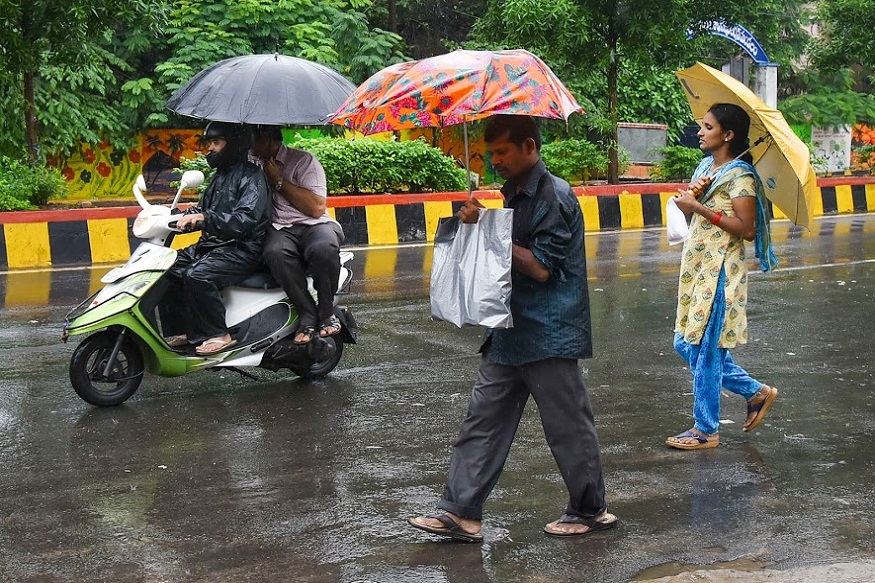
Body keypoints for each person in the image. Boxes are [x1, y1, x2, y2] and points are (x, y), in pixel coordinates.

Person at [408, 115, 616, 542]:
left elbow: (540, 268)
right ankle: (461, 511)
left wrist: (485, 224)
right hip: (509, 330)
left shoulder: (554, 196)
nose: (494, 161)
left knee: (566, 427)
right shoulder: (513, 194)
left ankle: (591, 509)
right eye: (489, 154)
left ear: (529, 147)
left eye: (502, 152)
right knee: (482, 420)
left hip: (549, 330)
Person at [666, 103, 780, 451]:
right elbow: (692, 215)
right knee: (684, 344)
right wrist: (693, 197)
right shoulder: (706, 167)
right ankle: (755, 392)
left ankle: (706, 429)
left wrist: (700, 207)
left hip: (720, 273)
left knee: (707, 350)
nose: (700, 131)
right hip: (697, 269)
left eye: (708, 127)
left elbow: (746, 229)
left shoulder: (742, 177)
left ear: (727, 135)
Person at [163, 121, 271, 356]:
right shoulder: (220, 176)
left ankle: (219, 334)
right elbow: (202, 210)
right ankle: (189, 330)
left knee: (197, 275)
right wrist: (172, 217)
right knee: (168, 265)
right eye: (210, 142)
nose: (210, 148)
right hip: (214, 245)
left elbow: (245, 220)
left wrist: (205, 218)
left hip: (242, 249)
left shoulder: (251, 177)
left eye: (216, 142)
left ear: (233, 145)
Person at [250, 126, 345, 345]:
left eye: (254, 140)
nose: (250, 146)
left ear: (268, 141)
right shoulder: (252, 163)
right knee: (274, 253)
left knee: (324, 248)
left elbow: (316, 208)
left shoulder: (303, 161)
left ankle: (326, 311)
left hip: (314, 225)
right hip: (280, 228)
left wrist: (278, 181)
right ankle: (307, 314)